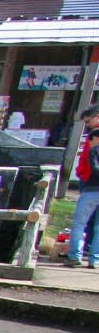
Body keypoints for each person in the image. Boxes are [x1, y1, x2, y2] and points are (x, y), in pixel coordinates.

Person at [68, 105, 99, 267]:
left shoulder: (94, 138)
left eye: (88, 121)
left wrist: (82, 174)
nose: (87, 125)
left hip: (92, 185)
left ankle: (75, 256)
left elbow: (90, 163)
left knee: (80, 222)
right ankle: (95, 259)